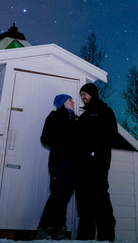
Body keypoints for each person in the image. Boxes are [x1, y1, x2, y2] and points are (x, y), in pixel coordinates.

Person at [76, 82, 118, 242]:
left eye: (84, 93)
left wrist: (97, 149)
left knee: (100, 197)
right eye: (81, 95)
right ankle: (84, 237)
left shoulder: (105, 112)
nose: (82, 97)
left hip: (99, 163)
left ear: (93, 93)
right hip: (84, 166)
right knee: (85, 201)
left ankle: (106, 236)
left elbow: (112, 135)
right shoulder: (84, 116)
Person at [37, 94, 78, 240]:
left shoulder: (75, 119)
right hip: (59, 162)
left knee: (64, 197)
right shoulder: (54, 117)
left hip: (72, 165)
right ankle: (44, 228)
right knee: (57, 195)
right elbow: (45, 138)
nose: (73, 102)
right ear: (62, 103)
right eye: (70, 100)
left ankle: (57, 229)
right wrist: (62, 144)